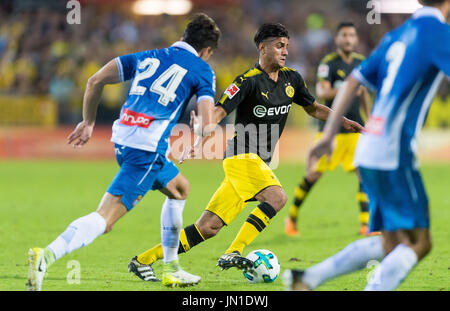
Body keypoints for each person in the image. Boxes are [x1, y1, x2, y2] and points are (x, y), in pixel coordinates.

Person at [129, 23, 364, 281]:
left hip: (257, 162)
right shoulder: (247, 81)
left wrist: (342, 121)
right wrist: (201, 129)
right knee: (276, 197)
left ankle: (143, 260)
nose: (285, 51)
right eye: (278, 46)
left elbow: (313, 108)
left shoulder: (291, 79)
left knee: (208, 227)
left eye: (286, 46)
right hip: (241, 156)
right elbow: (218, 111)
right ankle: (235, 250)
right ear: (262, 47)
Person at [26, 13, 221, 290]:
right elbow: (207, 124)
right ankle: (46, 255)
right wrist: (202, 126)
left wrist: (88, 122)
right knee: (105, 219)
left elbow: (94, 81)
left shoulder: (146, 56)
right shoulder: (202, 69)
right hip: (147, 150)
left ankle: (171, 268)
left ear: (182, 38)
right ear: (207, 51)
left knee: (179, 188)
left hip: (124, 140)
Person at [283, 0, 450, 291]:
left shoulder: (397, 35)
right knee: (419, 243)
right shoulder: (438, 33)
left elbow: (352, 82)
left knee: (391, 242)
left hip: (369, 147)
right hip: (394, 151)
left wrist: (326, 137)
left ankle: (307, 279)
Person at [285, 22, 374, 237]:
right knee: (314, 174)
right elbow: (323, 91)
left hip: (355, 129)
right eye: (344, 35)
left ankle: (366, 225)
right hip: (331, 131)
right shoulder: (329, 63)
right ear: (337, 39)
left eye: (352, 35)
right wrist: (348, 87)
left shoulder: (362, 62)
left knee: (364, 174)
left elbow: (363, 94)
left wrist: (369, 120)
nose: (348, 39)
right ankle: (292, 217)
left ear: (356, 39)